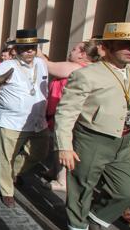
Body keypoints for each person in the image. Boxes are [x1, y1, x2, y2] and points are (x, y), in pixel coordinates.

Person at [55, 22, 130, 230]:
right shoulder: (86, 74)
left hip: (124, 141)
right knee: (82, 189)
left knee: (128, 192)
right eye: (125, 44)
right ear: (106, 47)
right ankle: (77, 225)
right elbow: (66, 112)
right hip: (93, 139)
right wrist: (65, 146)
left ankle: (96, 219)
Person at [0, 29, 50, 208]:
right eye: (26, 47)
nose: (30, 50)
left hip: (38, 120)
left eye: (33, 47)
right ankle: (7, 191)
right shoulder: (5, 66)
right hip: (12, 121)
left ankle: (14, 171)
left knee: (40, 152)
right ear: (17, 48)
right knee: (6, 156)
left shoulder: (42, 63)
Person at [39, 40, 100, 192]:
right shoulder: (88, 68)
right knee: (57, 143)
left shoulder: (76, 67)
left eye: (74, 49)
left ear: (83, 54)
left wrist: (37, 49)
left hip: (67, 114)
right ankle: (55, 171)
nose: (70, 51)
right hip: (63, 112)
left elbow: (49, 65)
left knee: (62, 145)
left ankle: (62, 181)